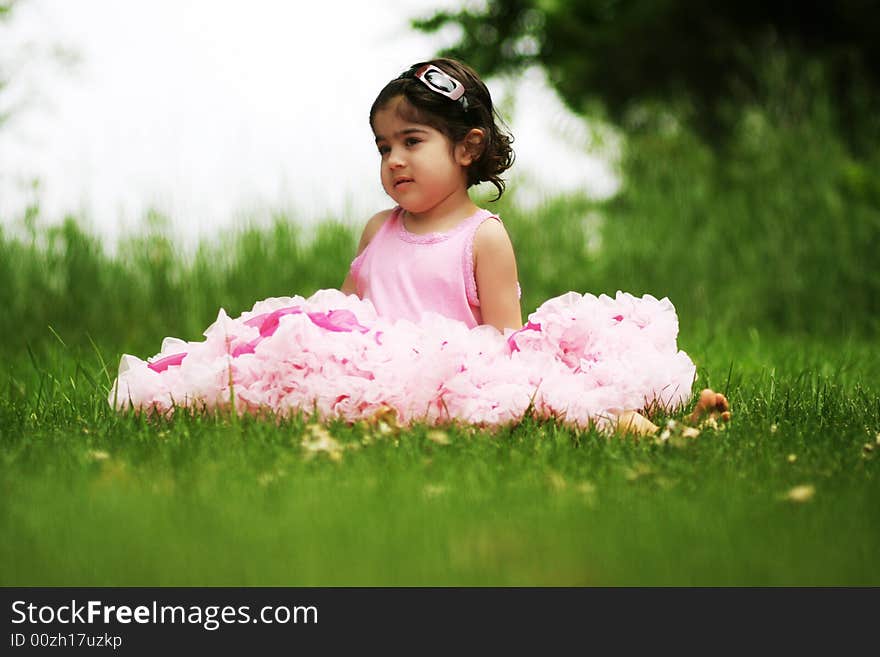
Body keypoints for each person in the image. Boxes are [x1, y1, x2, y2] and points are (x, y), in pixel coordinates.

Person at [110, 58, 729, 434]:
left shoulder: (481, 237)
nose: (394, 159)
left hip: (451, 371)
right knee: (271, 369)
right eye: (383, 147)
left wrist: (449, 375)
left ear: (466, 148)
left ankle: (650, 429)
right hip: (374, 370)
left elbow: (506, 342)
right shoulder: (378, 229)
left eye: (412, 142)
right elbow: (343, 315)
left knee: (545, 399)